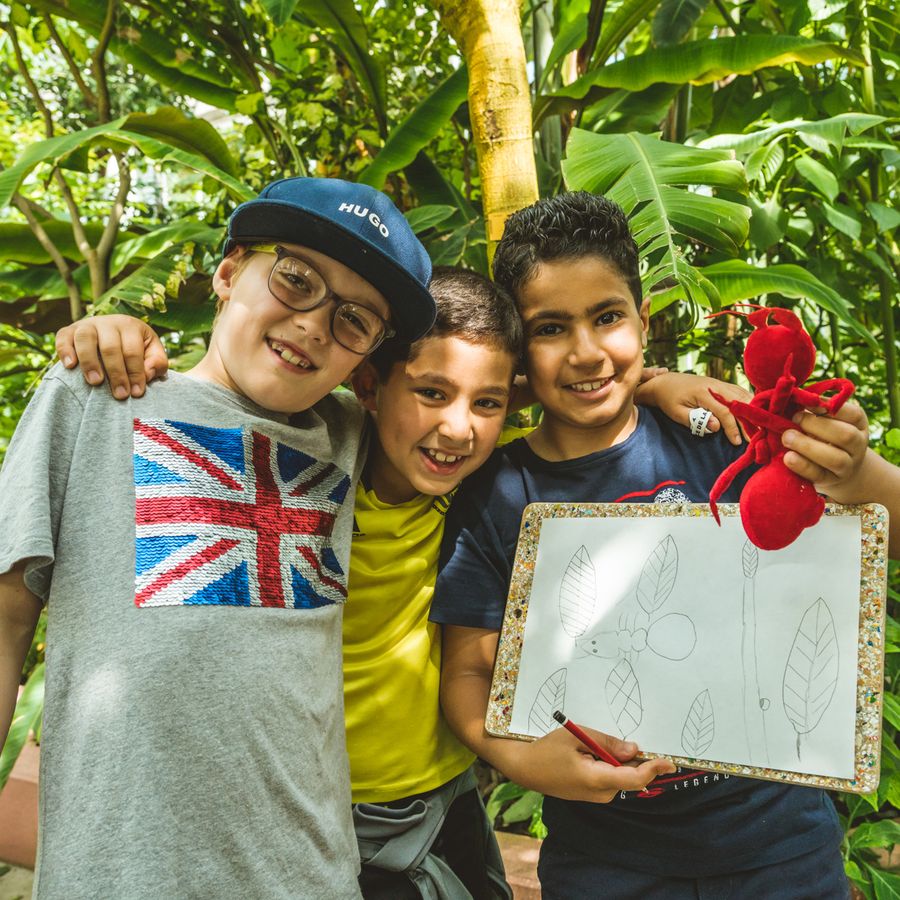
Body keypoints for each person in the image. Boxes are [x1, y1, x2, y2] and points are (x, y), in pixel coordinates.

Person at [56, 262, 754, 898]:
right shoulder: (307, 472)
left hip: (446, 798)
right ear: (369, 385)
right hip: (318, 812)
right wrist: (111, 332)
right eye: (430, 393)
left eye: (486, 406)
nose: (457, 428)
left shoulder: (482, 484)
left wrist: (656, 383)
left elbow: (563, 389)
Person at [430, 191, 900, 900]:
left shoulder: (728, 440)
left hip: (781, 849)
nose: (587, 351)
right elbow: (468, 672)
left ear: (644, 320)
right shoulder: (497, 492)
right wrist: (528, 763)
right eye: (551, 328)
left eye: (607, 317)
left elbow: (875, 528)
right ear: (520, 352)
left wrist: (855, 469)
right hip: (605, 862)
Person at [0, 175, 438, 899]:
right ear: (230, 272)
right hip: (119, 874)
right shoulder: (94, 397)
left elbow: (493, 414)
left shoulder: (352, 436)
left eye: (355, 321)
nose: (315, 325)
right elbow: (7, 621)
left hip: (308, 877)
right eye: (296, 279)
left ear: (365, 358)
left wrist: (630, 383)